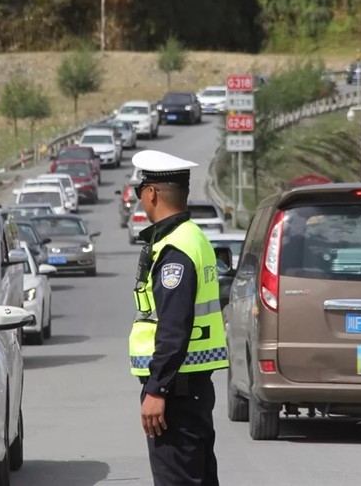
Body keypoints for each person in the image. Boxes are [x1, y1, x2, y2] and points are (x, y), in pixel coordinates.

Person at [128, 149, 228, 486]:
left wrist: (157, 390)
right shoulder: (193, 237)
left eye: (140, 191)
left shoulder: (175, 249)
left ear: (151, 193)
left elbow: (173, 327)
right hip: (190, 387)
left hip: (176, 391)